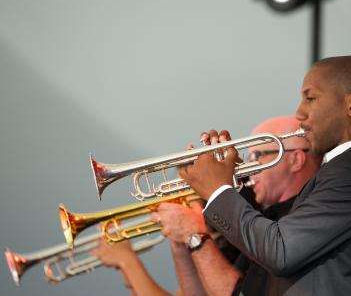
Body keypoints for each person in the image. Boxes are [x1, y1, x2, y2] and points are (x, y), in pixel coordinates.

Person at [178, 55, 351, 295]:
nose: (300, 112)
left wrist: (218, 192)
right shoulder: (347, 167)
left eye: (311, 98)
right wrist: (227, 183)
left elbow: (280, 250)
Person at [93, 116, 321, 296]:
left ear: (295, 159)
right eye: (249, 155)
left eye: (258, 154)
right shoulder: (266, 215)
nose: (249, 165)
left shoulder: (298, 218)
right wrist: (180, 241)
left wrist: (194, 234)